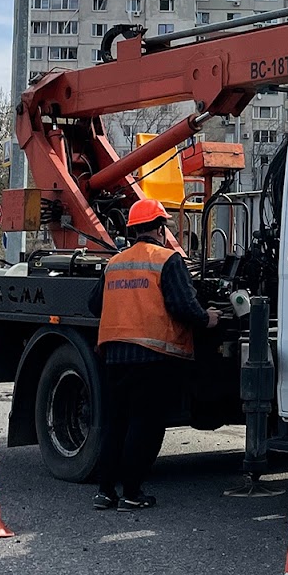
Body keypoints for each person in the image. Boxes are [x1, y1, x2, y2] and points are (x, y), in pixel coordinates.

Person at [87, 199, 220, 510]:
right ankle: (132, 493)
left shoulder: (115, 263)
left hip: (115, 355)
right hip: (151, 356)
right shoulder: (167, 260)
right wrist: (208, 318)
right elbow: (183, 306)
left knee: (116, 423)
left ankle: (106, 492)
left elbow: (94, 305)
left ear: (134, 231)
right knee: (145, 425)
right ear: (161, 229)